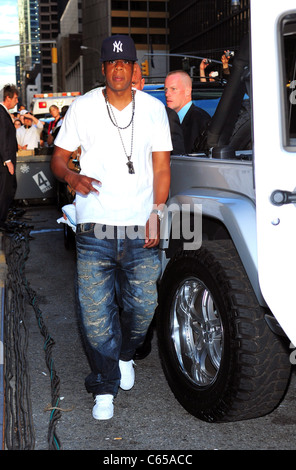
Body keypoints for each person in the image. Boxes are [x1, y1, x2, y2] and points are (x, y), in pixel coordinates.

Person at [51, 34, 172, 420]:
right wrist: (72, 178)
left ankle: (123, 354)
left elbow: (162, 167)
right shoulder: (83, 108)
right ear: (103, 69)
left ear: (134, 68)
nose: (119, 69)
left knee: (143, 307)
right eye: (112, 63)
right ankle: (103, 385)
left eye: (126, 63)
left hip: (140, 225)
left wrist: (157, 210)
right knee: (95, 311)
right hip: (94, 226)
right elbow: (57, 160)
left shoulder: (153, 109)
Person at [132, 63, 185, 156]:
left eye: (133, 83)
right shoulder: (105, 113)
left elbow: (176, 159)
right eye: (125, 83)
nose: (129, 89)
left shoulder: (165, 115)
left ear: (142, 83)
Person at [165, 70, 211, 153]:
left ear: (188, 91)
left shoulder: (200, 120)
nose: (167, 94)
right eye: (166, 89)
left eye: (173, 89)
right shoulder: (164, 118)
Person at [0, 84, 19, 231]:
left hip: (8, 160)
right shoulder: (1, 113)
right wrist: (7, 160)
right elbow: (2, 138)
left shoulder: (5, 113)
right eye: (16, 98)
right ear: (8, 97)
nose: (17, 101)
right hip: (5, 163)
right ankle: (1, 222)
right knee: (5, 191)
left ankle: (3, 219)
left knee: (10, 189)